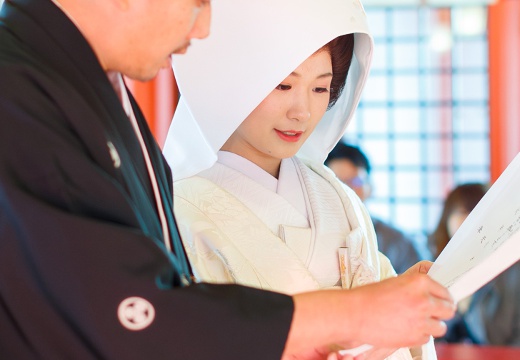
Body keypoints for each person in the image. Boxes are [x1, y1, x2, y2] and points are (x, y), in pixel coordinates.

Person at [0, 0, 454, 359]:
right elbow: (127, 311)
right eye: (198, 2)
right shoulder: (24, 91)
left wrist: (397, 302)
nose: (202, 29)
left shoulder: (334, 194)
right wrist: (352, 318)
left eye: (321, 88)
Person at [163, 0, 452, 358]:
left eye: (320, 89)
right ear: (229, 84)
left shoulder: (335, 194)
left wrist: (406, 294)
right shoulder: (180, 209)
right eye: (283, 86)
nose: (301, 112)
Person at [429, 183, 520, 346]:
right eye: (463, 212)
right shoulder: (430, 264)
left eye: (478, 213)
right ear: (447, 218)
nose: (470, 221)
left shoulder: (512, 270)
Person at [325, 142, 429, 274]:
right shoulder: (313, 235)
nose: (347, 190)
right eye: (338, 182)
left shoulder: (398, 242)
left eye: (356, 182)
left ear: (371, 188)